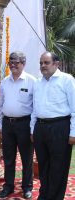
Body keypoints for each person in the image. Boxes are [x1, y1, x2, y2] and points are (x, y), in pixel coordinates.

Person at [30, 51, 75, 200]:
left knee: (58, 167)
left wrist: (73, 133)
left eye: (46, 62)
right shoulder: (37, 82)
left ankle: (55, 197)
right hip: (40, 129)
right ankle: (44, 195)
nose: (43, 66)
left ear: (56, 64)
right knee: (43, 165)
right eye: (41, 63)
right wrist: (32, 129)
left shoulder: (67, 80)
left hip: (60, 127)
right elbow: (34, 109)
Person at [0, 52, 35, 199]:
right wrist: (0, 126)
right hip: (7, 125)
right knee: (8, 158)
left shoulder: (31, 81)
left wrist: (32, 128)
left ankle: (27, 187)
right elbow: (0, 106)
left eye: (16, 62)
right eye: (10, 62)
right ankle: (8, 186)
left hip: (25, 124)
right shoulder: (4, 82)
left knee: (26, 158)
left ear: (23, 63)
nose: (12, 65)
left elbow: (36, 107)